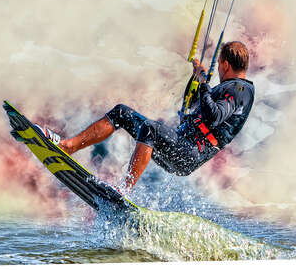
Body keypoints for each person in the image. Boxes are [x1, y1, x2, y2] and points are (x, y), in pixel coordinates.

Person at [37, 41, 255, 194]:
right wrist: (197, 85)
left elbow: (214, 116)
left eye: (219, 66)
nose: (218, 70)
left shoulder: (240, 89)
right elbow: (199, 109)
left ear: (225, 64)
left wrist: (204, 83)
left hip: (189, 153)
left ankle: (124, 190)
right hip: (182, 145)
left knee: (150, 128)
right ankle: (68, 146)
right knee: (121, 112)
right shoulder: (234, 90)